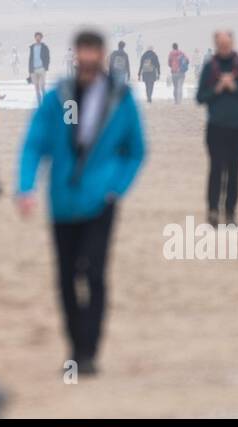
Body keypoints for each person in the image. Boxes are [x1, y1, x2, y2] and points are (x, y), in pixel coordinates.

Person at [17, 30, 146, 376]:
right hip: (61, 201)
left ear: (101, 54)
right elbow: (34, 144)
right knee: (65, 278)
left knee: (94, 273)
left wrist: (115, 188)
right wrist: (25, 187)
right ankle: (75, 347)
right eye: (82, 51)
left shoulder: (120, 98)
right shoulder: (58, 97)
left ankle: (89, 350)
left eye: (93, 51)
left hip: (101, 202)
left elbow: (136, 151)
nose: (88, 58)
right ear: (76, 54)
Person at [195, 29, 238, 227]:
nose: (224, 48)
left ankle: (231, 212)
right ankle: (213, 211)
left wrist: (235, 88)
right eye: (220, 45)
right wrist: (216, 89)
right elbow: (200, 98)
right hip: (215, 127)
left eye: (227, 44)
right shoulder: (210, 67)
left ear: (232, 43)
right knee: (215, 169)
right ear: (216, 45)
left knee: (234, 170)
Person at [27, 32, 51, 106]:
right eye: (36, 37)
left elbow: (48, 57)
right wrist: (30, 70)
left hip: (41, 69)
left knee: (42, 87)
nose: (38, 38)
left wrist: (46, 67)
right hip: (33, 69)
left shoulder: (45, 47)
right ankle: (39, 104)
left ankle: (45, 103)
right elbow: (30, 59)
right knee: (36, 88)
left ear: (41, 38)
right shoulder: (32, 47)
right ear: (35, 38)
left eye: (39, 37)